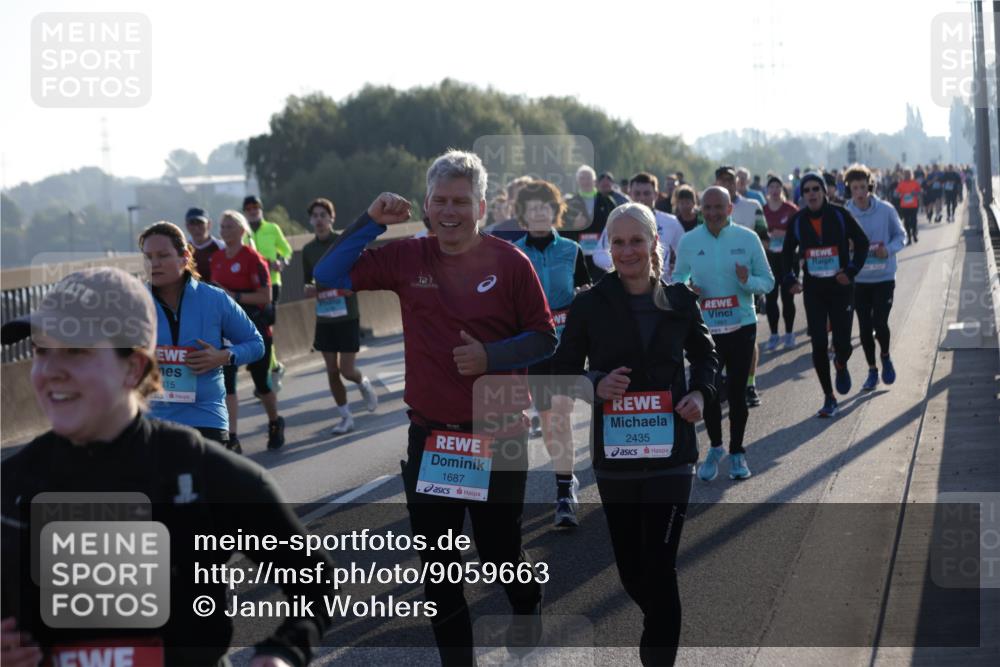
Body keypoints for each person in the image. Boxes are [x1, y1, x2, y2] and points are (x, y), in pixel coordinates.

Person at [0, 267, 335, 667]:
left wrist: (284, 652)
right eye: (41, 350)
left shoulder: (204, 472)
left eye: (76, 350)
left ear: (134, 368)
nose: (49, 370)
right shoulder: (12, 484)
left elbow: (314, 581)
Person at [313, 150, 555, 666]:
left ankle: (527, 600)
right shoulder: (408, 256)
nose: (450, 211)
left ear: (482, 206)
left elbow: (543, 338)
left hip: (498, 432)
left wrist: (491, 356)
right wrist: (370, 222)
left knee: (498, 558)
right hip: (432, 438)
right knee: (440, 573)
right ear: (426, 204)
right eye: (440, 200)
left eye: (461, 201)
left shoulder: (510, 262)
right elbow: (328, 270)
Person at [552, 202, 718, 666]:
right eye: (618, 242)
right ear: (608, 247)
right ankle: (661, 626)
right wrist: (595, 383)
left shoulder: (681, 300)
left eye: (636, 241)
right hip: (617, 460)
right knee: (631, 570)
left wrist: (702, 396)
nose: (627, 250)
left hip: (671, 456)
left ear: (654, 244)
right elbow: (562, 370)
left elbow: (708, 360)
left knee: (660, 568)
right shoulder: (589, 304)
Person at [673, 187, 772, 481]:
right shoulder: (690, 241)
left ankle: (738, 452)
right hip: (706, 330)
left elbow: (767, 281)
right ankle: (716, 447)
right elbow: (677, 280)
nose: (714, 213)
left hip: (741, 325)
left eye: (719, 207)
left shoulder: (747, 238)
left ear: (730, 209)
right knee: (710, 392)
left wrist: (746, 281)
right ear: (701, 210)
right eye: (708, 208)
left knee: (739, 394)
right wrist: (687, 290)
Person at [141, 222, 264, 452]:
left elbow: (256, 344)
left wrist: (224, 356)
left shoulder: (215, 299)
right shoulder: (134, 303)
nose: (153, 263)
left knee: (207, 488)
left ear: (184, 256)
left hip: (207, 417)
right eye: (148, 257)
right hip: (153, 420)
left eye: (163, 255)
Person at [512, 180, 591, 527]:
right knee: (548, 422)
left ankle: (564, 494)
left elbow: (587, 295)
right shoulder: (514, 253)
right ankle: (567, 475)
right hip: (534, 346)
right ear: (523, 217)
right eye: (532, 209)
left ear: (554, 212)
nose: (539, 213)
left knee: (560, 413)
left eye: (545, 207)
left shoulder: (571, 251)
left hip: (568, 344)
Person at [782, 172, 870, 417]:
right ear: (802, 195)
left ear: (823, 191)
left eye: (815, 189)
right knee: (819, 343)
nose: (811, 193)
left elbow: (862, 243)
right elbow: (787, 253)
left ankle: (841, 363)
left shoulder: (840, 214)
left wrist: (851, 270)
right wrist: (789, 279)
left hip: (841, 288)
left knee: (843, 344)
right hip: (814, 291)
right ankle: (829, 397)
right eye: (806, 190)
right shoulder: (798, 220)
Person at [301, 197, 379, 435]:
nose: (319, 220)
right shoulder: (308, 250)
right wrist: (310, 289)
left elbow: (357, 274)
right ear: (310, 220)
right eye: (315, 216)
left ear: (331, 218)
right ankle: (346, 417)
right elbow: (307, 283)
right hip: (325, 317)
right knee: (332, 371)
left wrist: (350, 287)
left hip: (347, 316)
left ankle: (362, 382)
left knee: (346, 370)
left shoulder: (342, 241)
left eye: (323, 215)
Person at [211, 210, 286, 450]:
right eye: (222, 227)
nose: (225, 231)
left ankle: (275, 421)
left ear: (243, 231)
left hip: (254, 327)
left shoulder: (254, 258)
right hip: (226, 331)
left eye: (230, 226)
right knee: (228, 384)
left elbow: (266, 296)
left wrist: (234, 296)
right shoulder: (217, 258)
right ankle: (232, 438)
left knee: (261, 383)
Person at [844, 165, 904, 391]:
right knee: (864, 327)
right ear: (849, 189)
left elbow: (901, 235)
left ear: (869, 186)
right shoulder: (846, 213)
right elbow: (838, 243)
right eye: (854, 187)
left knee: (880, 322)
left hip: (884, 277)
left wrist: (887, 250)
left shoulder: (886, 210)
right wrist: (847, 245)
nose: (859, 192)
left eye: (862, 187)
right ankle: (872, 370)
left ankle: (886, 357)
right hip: (859, 280)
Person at [715, 166, 768, 407]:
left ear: (737, 182)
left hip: (746, 283)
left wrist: (751, 271)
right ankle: (724, 381)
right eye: (721, 180)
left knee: (748, 337)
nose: (726, 184)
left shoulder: (752, 206)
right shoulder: (706, 208)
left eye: (730, 180)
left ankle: (750, 384)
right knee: (719, 335)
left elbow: (764, 239)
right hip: (716, 285)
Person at [593, 173, 684, 281]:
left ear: (656, 194)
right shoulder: (616, 221)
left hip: (662, 289)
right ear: (629, 194)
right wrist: (627, 264)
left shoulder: (671, 222)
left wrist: (677, 273)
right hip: (626, 288)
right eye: (637, 194)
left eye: (646, 193)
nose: (642, 198)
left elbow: (686, 253)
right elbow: (598, 255)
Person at [243, 195, 293, 386]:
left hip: (272, 283)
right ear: (244, 212)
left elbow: (286, 250)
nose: (252, 210)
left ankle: (269, 371)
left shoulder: (272, 229)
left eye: (255, 207)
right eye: (248, 208)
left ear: (261, 209)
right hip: (251, 287)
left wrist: (281, 261)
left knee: (266, 327)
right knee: (258, 329)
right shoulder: (243, 233)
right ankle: (272, 368)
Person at [762, 175, 799, 350]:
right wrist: (765, 240)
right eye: (772, 187)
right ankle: (774, 334)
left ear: (782, 190)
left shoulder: (791, 209)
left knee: (787, 298)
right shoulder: (762, 211)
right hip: (769, 260)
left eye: (778, 187)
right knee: (770, 298)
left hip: (788, 260)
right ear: (767, 191)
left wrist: (784, 235)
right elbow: (757, 234)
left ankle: (790, 334)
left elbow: (801, 232)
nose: (775, 190)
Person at [563, 164, 618, 277]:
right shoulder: (570, 203)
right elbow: (563, 228)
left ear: (594, 181)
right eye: (582, 178)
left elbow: (616, 224)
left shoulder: (606, 201)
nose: (585, 181)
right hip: (580, 255)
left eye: (588, 178)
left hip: (603, 253)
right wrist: (573, 225)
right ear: (577, 182)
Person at [184, 207, 225, 281]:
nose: (196, 228)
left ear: (209, 224)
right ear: (187, 226)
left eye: (200, 223)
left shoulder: (222, 247)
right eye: (192, 223)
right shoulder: (183, 248)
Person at [895, 169, 921, 244]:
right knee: (906, 222)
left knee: (914, 221)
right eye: (906, 174)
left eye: (909, 174)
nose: (907, 176)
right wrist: (899, 194)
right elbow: (896, 193)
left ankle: (914, 234)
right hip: (904, 206)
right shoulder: (901, 183)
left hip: (914, 205)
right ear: (904, 175)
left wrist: (915, 193)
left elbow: (920, 191)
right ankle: (909, 238)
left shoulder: (915, 183)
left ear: (911, 175)